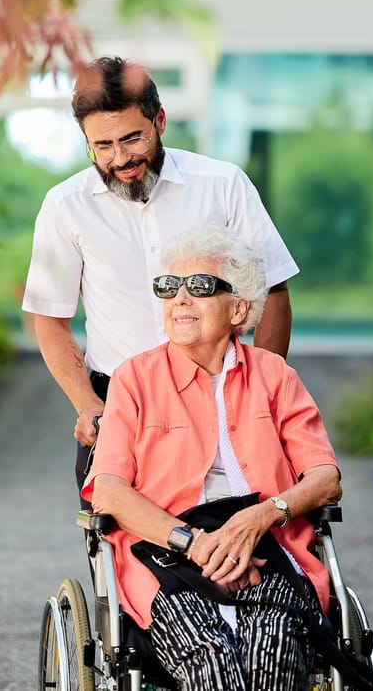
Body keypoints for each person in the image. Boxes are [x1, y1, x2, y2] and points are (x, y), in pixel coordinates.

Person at [22, 56, 299, 493]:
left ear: (160, 121)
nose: (121, 158)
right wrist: (89, 405)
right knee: (124, 541)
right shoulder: (64, 206)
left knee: (244, 524)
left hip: (221, 391)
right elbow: (50, 318)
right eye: (103, 146)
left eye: (132, 138)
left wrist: (263, 393)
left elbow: (273, 291)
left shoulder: (223, 184)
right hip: (118, 403)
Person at [82, 225, 341, 691]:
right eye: (168, 288)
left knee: (275, 652)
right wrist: (197, 545)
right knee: (211, 660)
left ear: (238, 308)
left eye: (199, 287)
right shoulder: (134, 379)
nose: (179, 299)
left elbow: (324, 476)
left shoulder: (275, 376)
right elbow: (109, 490)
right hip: (167, 549)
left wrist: (265, 515)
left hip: (268, 546)